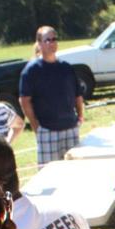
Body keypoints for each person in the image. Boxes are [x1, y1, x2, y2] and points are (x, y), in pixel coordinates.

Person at [19, 26, 84, 167]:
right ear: (40, 43)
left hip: (70, 127)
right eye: (47, 40)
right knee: (48, 173)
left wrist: (80, 115)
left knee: (75, 170)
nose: (52, 43)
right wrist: (36, 126)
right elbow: (25, 101)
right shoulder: (31, 70)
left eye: (54, 39)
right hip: (47, 129)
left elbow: (77, 95)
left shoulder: (66, 68)